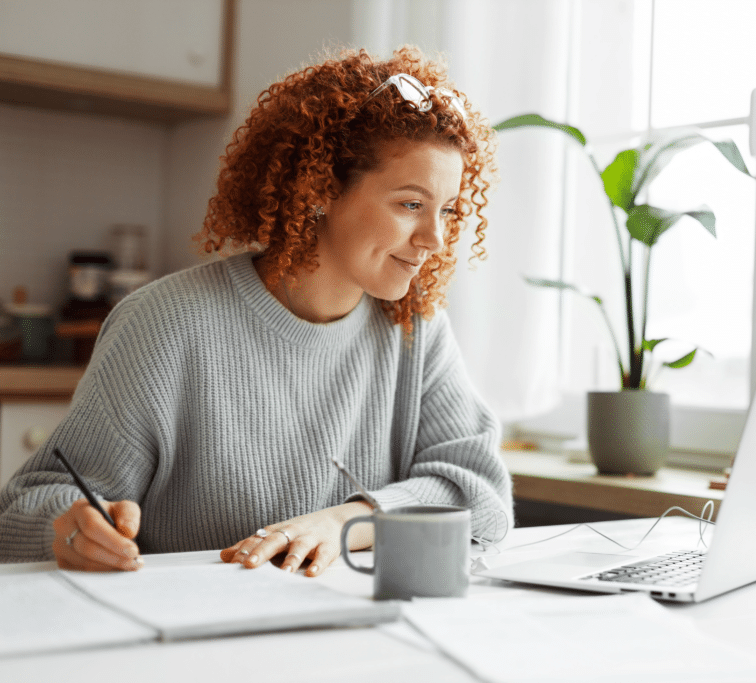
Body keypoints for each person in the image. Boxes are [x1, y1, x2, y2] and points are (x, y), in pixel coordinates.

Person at [0, 46, 512, 576]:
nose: (435, 238)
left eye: (448, 210)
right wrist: (73, 526)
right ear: (319, 190)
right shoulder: (164, 324)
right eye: (411, 204)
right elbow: (27, 507)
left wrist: (346, 522)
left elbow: (481, 494)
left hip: (350, 632)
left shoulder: (415, 327)